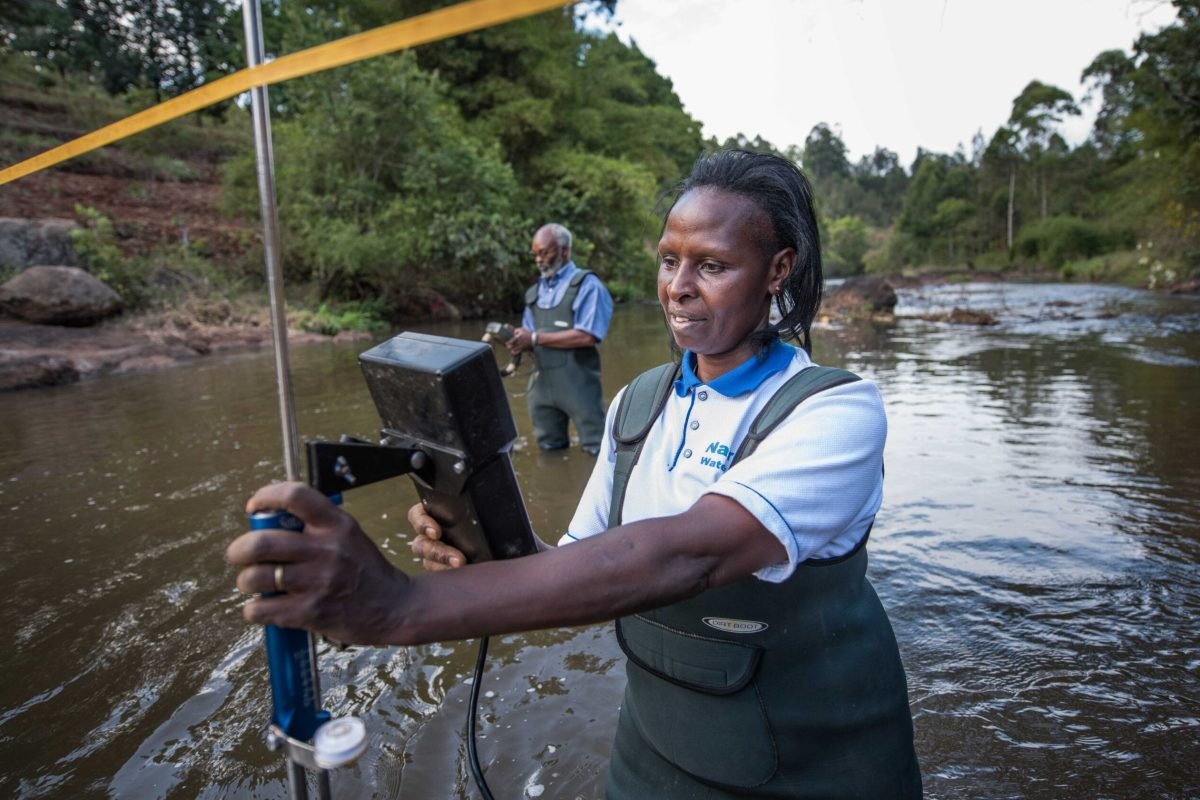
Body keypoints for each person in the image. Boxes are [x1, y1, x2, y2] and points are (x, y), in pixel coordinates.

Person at [228, 150, 922, 798]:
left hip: (817, 762)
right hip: (653, 748)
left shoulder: (835, 410)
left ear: (778, 270)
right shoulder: (636, 405)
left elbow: (692, 554)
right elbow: (571, 564)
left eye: (711, 266)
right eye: (669, 260)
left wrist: (397, 606)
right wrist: (475, 544)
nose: (677, 288)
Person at [505, 222, 613, 455]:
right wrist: (517, 339)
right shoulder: (534, 293)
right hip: (541, 389)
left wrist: (533, 338)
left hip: (580, 388)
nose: (538, 260)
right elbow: (529, 335)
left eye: (544, 252)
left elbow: (588, 335)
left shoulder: (587, 285)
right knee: (549, 453)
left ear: (564, 250)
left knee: (598, 451)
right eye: (535, 254)